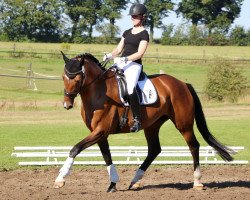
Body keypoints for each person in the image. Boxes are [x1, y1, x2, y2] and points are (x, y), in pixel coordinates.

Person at [103, 3, 149, 132]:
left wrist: (126, 58)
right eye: (132, 16)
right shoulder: (127, 32)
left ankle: (137, 120)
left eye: (135, 16)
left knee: (130, 88)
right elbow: (118, 49)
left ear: (143, 17)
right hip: (121, 62)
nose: (133, 18)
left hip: (134, 64)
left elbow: (140, 53)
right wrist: (109, 55)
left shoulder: (144, 34)